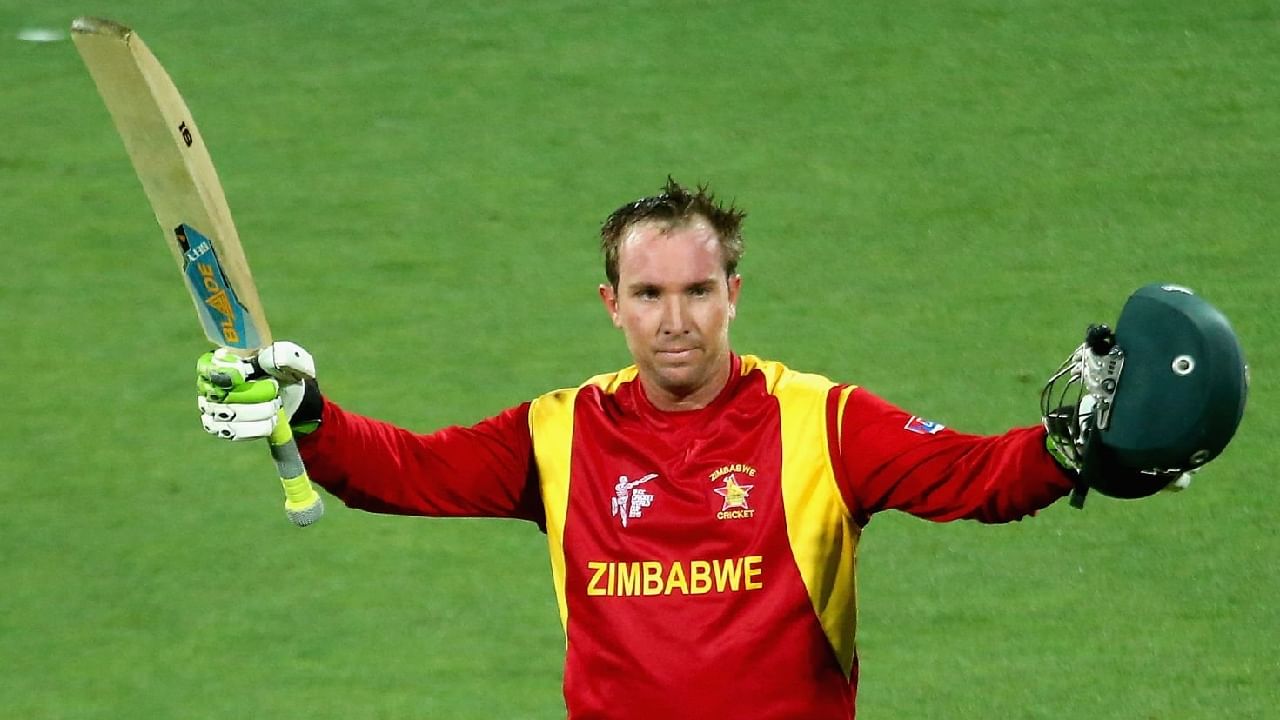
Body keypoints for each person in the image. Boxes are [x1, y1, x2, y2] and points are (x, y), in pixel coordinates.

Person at [193, 178, 1224, 719]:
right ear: (611, 304)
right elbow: (410, 471)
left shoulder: (822, 421)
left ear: (733, 294)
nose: (675, 320)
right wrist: (311, 415)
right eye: (648, 294)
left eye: (696, 291)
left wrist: (1073, 451)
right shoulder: (558, 432)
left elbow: (971, 476)